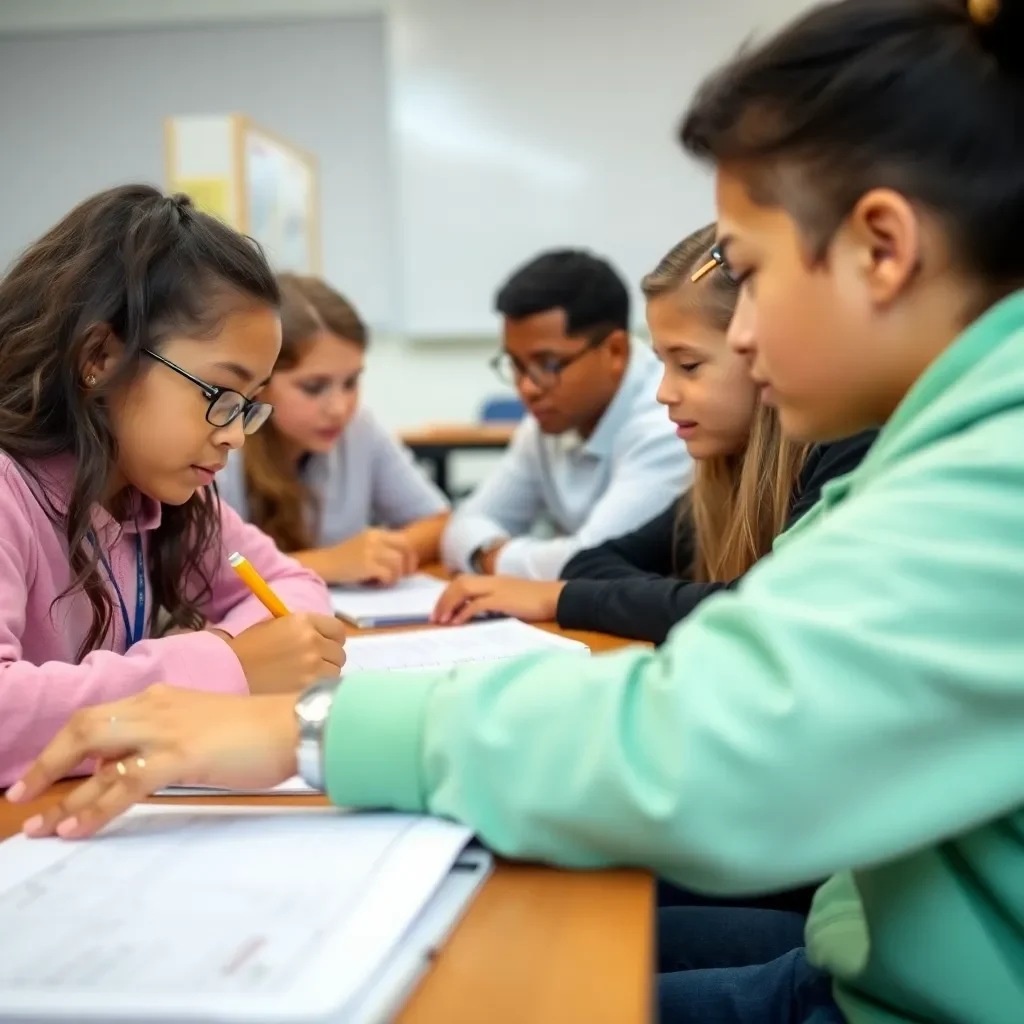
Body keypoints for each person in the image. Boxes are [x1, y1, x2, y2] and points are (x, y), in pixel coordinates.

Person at [11, 2, 1024, 1022]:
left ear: (884, 247)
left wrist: (302, 725)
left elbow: (704, 737)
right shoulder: (939, 450)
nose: (743, 336)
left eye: (748, 277)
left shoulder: (992, 475)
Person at [0, 185, 344, 789]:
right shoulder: (10, 490)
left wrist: (260, 655)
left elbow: (292, 584)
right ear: (101, 355)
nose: (236, 436)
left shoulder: (155, 493)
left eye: (250, 406)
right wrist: (228, 666)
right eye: (220, 396)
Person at [432, 226, 876, 641]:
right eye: (662, 364)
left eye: (688, 366)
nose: (663, 393)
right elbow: (593, 563)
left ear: (759, 346)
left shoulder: (849, 448)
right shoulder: (722, 469)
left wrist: (564, 597)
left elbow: (754, 606)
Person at [440, 249, 692, 580]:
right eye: (516, 365)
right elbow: (462, 527)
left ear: (615, 352)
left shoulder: (668, 422)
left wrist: (491, 558)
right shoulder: (547, 421)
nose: (528, 387)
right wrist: (493, 552)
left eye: (548, 364)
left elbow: (591, 562)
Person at [216, 274, 449, 586]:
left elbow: (437, 522)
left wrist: (387, 552)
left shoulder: (360, 428)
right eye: (314, 387)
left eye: (351, 382)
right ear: (259, 383)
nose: (340, 408)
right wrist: (327, 563)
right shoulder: (220, 444)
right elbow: (199, 573)